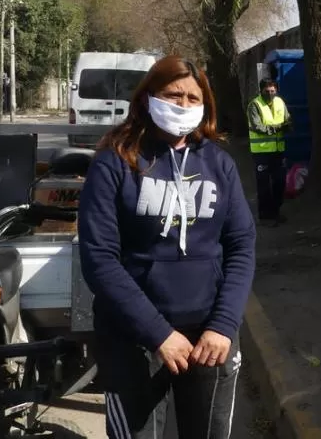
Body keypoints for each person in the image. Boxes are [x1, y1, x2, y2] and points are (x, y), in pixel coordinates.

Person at [78, 55, 256, 439]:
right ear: (147, 98)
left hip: (211, 340)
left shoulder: (219, 165)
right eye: (173, 95)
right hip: (135, 340)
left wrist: (223, 325)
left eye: (194, 98)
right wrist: (158, 334)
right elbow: (99, 260)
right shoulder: (115, 162)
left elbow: (241, 245)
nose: (184, 106)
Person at [246, 78, 292, 224]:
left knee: (280, 182)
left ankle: (275, 211)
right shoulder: (254, 105)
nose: (270, 93)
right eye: (267, 91)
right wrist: (278, 128)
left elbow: (287, 119)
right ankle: (265, 216)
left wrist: (289, 125)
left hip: (278, 150)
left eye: (273, 91)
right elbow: (257, 126)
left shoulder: (280, 102)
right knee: (263, 185)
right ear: (261, 91)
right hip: (261, 152)